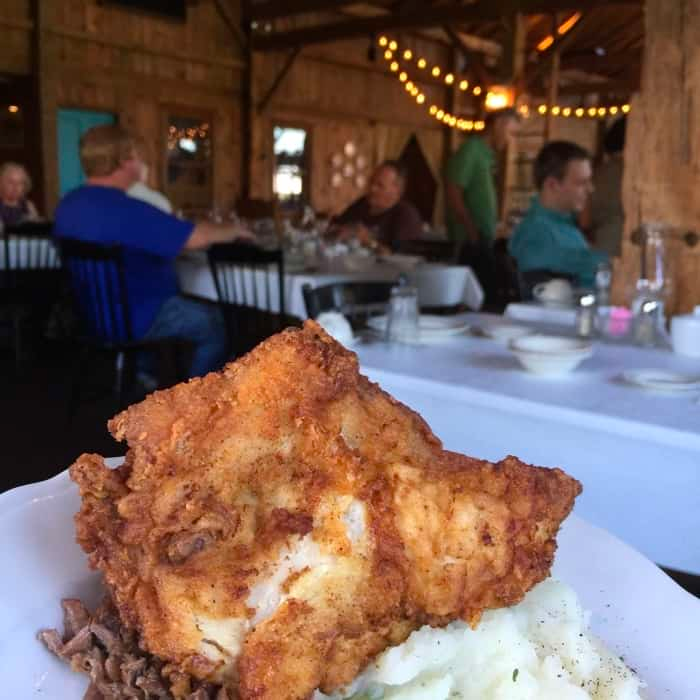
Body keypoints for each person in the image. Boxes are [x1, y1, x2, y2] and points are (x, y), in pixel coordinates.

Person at [53, 124, 252, 380]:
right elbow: (195, 238)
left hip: (91, 316)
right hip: (138, 316)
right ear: (125, 160)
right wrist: (234, 230)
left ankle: (144, 376)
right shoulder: (126, 209)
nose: (141, 161)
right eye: (137, 155)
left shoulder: (68, 205)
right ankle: (192, 405)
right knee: (214, 322)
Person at [508, 141, 608, 289]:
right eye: (581, 183)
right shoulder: (534, 230)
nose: (590, 189)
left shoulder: (564, 224)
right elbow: (536, 263)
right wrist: (612, 262)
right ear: (552, 185)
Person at [445, 108, 519, 300]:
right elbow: (454, 190)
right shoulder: (471, 149)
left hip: (483, 238)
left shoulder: (487, 155)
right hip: (469, 241)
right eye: (511, 132)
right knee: (475, 297)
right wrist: (471, 230)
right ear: (498, 123)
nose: (511, 139)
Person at [330, 160, 423, 250]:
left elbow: (404, 258)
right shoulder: (361, 204)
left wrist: (368, 242)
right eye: (371, 182)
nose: (372, 188)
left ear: (396, 190)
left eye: (379, 185)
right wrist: (338, 231)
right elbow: (335, 227)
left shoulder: (406, 215)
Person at [589, 116, 626, 258]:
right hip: (621, 253)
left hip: (601, 250)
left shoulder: (598, 173)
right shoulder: (638, 175)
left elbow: (584, 220)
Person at [0, 162, 40, 227]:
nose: (16, 187)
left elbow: (36, 228)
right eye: (11, 182)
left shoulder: (28, 205)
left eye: (20, 183)